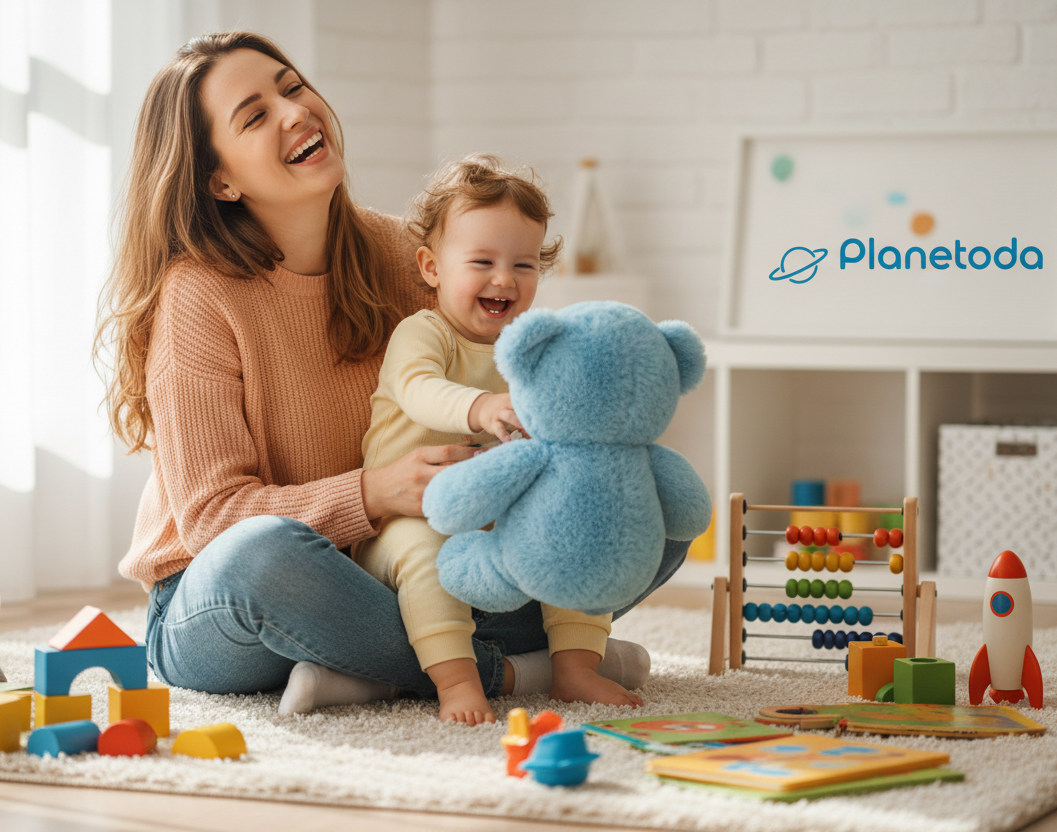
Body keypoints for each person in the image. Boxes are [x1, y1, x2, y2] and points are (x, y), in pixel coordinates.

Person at [96, 31, 690, 715]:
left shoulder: (407, 252)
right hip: (225, 599)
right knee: (260, 554)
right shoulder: (198, 294)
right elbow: (210, 523)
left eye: (292, 86)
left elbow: (501, 380)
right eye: (255, 115)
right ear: (220, 179)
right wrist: (375, 492)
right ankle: (511, 671)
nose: (295, 111)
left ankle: (392, 666)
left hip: (399, 571)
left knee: (645, 500)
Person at [354, 155, 645, 725]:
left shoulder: (534, 345)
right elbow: (418, 390)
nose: (505, 279)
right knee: (424, 552)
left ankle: (577, 664)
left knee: (582, 524)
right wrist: (481, 405)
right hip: (405, 520)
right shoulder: (423, 333)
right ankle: (458, 681)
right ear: (432, 267)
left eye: (525, 263)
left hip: (496, 522)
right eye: (482, 261)